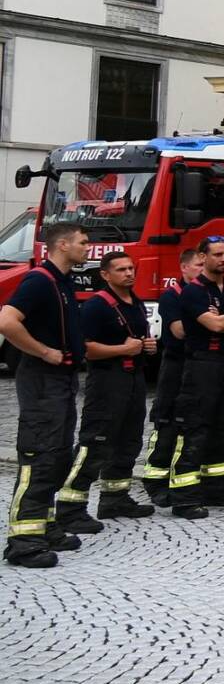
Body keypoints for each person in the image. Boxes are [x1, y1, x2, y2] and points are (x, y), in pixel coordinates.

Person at [1, 222, 90, 567]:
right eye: (82, 242)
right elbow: (7, 321)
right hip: (42, 380)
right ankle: (23, 542)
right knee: (39, 457)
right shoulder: (39, 281)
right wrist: (43, 351)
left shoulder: (61, 281)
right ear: (63, 245)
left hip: (61, 380)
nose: (87, 247)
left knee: (57, 456)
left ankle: (44, 525)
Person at [59, 251, 157, 529]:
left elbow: (137, 339)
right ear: (105, 275)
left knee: (128, 440)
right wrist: (123, 349)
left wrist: (146, 346)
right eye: (121, 270)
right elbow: (85, 349)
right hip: (107, 381)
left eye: (130, 268)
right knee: (96, 443)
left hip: (133, 379)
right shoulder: (96, 306)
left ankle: (115, 498)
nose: (129, 273)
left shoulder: (135, 302)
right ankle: (69, 507)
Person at [169, 235, 224, 519]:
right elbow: (214, 324)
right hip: (202, 366)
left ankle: (219, 489)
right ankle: (185, 496)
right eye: (218, 254)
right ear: (203, 257)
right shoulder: (193, 292)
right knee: (196, 429)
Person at [142, 249, 204, 506]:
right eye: (198, 265)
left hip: (198, 365)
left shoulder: (207, 294)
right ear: (184, 268)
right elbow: (179, 332)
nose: (202, 269)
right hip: (176, 365)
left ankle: (183, 481)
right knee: (166, 423)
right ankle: (155, 480)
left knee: (191, 424)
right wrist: (212, 324)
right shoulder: (172, 297)